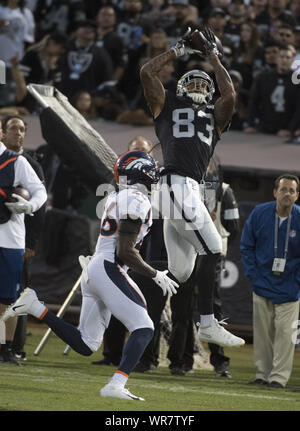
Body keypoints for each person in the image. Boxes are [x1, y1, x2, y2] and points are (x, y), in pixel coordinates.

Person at [1, 150, 179, 400]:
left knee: (86, 344)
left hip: (97, 268)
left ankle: (35, 307)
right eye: (151, 169)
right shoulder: (137, 200)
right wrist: (155, 274)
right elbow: (125, 251)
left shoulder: (118, 197)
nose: (155, 173)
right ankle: (116, 385)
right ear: (140, 170)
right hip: (109, 268)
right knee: (144, 327)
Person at [140, 26, 245, 347]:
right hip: (176, 184)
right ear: (182, 87)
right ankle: (209, 324)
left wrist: (213, 55)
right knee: (213, 249)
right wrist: (178, 49)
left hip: (187, 190)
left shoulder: (216, 115)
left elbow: (230, 95)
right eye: (193, 81)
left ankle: (121, 286)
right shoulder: (167, 104)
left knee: (181, 273)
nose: (199, 84)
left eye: (204, 82)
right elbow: (147, 72)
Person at [240, 174, 300, 388]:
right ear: (275, 192)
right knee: (263, 333)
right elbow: (247, 246)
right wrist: (253, 275)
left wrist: (297, 282)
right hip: (262, 283)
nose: (287, 194)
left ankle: (278, 378)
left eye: (292, 191)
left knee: (286, 334)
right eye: (283, 189)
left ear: (297, 196)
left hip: (290, 287)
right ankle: (262, 374)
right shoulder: (259, 213)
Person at [0, 116, 47, 364]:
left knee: (8, 299)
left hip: (11, 239)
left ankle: (6, 348)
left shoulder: (16, 161)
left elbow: (40, 192)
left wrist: (30, 205)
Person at [244, 46, 300, 139]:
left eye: (288, 57)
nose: (284, 60)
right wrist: (250, 124)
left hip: (286, 132)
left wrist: (290, 129)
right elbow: (253, 102)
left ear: (292, 60)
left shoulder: (297, 80)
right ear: (277, 59)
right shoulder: (263, 77)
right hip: (263, 128)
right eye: (281, 57)